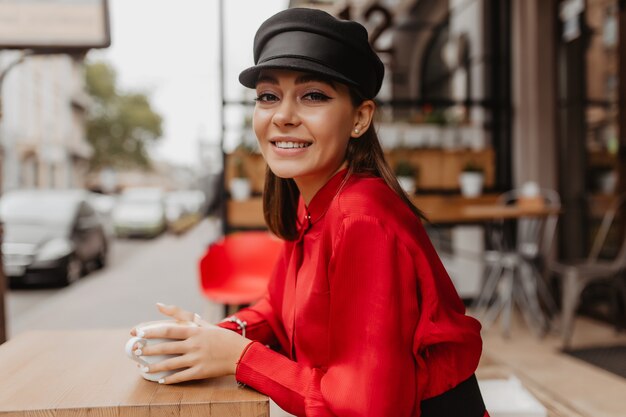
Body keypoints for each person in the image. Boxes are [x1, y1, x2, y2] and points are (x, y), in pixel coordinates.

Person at [130, 8, 489, 417]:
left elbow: (364, 408)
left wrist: (239, 356)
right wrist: (212, 336)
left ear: (359, 118)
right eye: (268, 96)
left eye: (313, 95)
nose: (282, 116)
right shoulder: (315, 202)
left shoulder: (361, 218)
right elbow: (276, 309)